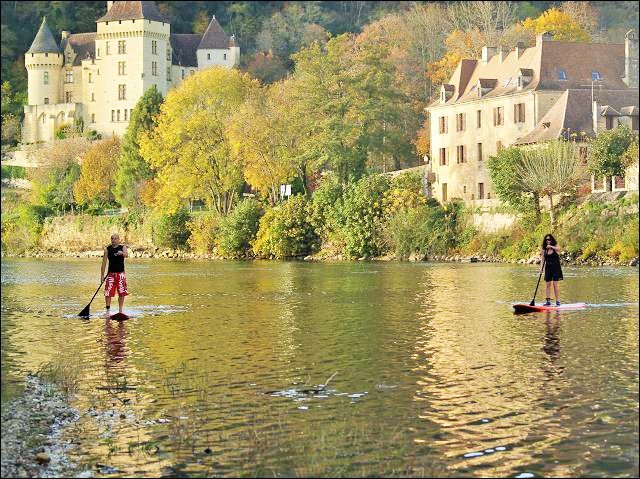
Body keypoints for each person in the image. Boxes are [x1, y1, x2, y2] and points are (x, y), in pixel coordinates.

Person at [101, 233, 129, 314]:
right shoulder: (107, 249)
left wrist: (122, 254)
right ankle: (108, 310)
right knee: (108, 292)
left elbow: (126, 255)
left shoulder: (122, 247)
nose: (113, 240)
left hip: (121, 274)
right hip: (111, 274)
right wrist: (102, 276)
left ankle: (120, 310)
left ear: (118, 240)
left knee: (122, 292)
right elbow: (104, 263)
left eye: (115, 238)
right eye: (112, 239)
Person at [540, 234, 563, 306]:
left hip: (556, 268)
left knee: (555, 285)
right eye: (546, 240)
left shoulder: (555, 247)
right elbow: (542, 260)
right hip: (548, 268)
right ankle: (548, 301)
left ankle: (558, 301)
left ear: (551, 240)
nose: (548, 241)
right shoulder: (544, 249)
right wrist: (541, 269)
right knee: (548, 285)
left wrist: (551, 247)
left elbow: (559, 249)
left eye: (549, 239)